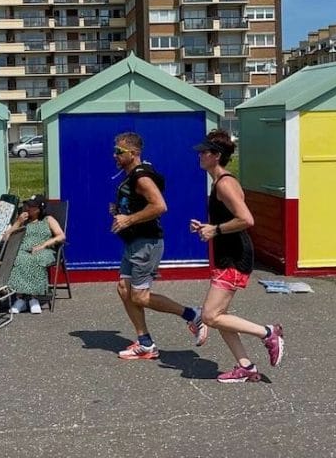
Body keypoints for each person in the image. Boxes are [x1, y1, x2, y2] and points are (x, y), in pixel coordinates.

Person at [190, 130, 284, 383]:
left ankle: (268, 333)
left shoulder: (224, 183)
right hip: (227, 254)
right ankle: (246, 366)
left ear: (216, 155)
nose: (200, 155)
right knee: (222, 317)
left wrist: (216, 229)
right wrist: (207, 228)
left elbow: (247, 219)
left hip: (235, 256)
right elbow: (229, 217)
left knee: (210, 316)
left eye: (204, 152)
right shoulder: (220, 181)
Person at [110, 131, 207, 360]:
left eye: (118, 152)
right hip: (133, 242)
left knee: (140, 297)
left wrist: (128, 219)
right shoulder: (129, 174)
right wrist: (120, 211)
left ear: (133, 154)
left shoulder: (142, 177)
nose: (114, 155)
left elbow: (160, 206)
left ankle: (193, 314)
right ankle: (145, 344)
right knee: (124, 289)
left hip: (147, 243)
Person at [7, 194, 65, 315]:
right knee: (18, 258)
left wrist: (43, 245)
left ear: (40, 208)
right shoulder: (22, 221)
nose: (27, 208)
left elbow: (61, 235)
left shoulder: (48, 219)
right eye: (27, 205)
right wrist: (18, 222)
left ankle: (34, 298)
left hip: (44, 250)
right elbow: (5, 238)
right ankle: (20, 299)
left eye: (31, 206)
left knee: (35, 259)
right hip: (23, 250)